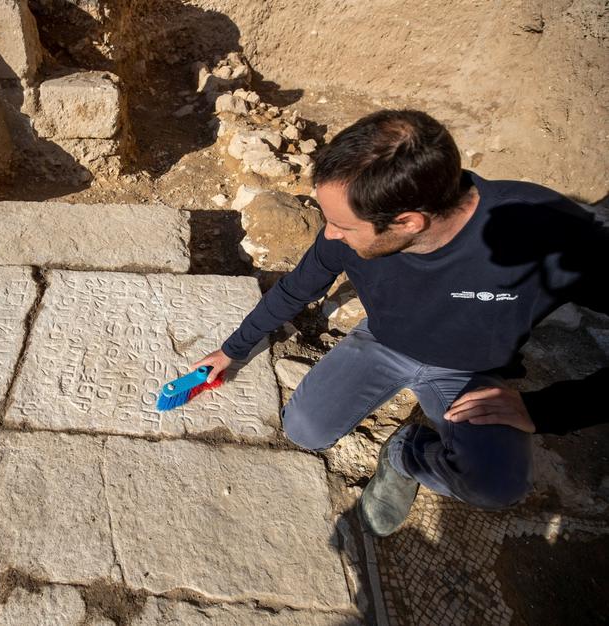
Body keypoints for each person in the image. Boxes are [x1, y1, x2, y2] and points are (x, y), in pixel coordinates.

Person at [193, 109, 609, 537]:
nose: (330, 234)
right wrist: (232, 349)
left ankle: (406, 454)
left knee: (496, 485)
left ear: (409, 222)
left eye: (341, 225)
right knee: (304, 430)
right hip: (382, 341)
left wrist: (543, 410)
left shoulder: (546, 234)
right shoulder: (354, 220)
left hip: (469, 372)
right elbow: (297, 288)